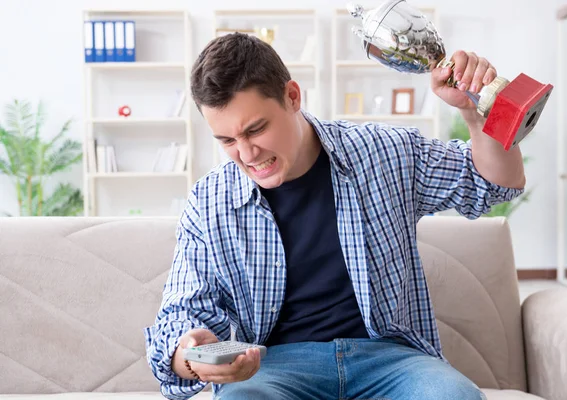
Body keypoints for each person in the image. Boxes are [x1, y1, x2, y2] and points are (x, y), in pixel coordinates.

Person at [144, 32, 525, 400]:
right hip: (274, 367)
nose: (246, 154)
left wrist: (474, 112)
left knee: (455, 397)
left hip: (390, 361)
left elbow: (494, 184)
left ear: (292, 97)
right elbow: (182, 315)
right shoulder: (210, 200)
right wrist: (190, 359)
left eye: (256, 129)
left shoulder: (382, 152)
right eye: (227, 141)